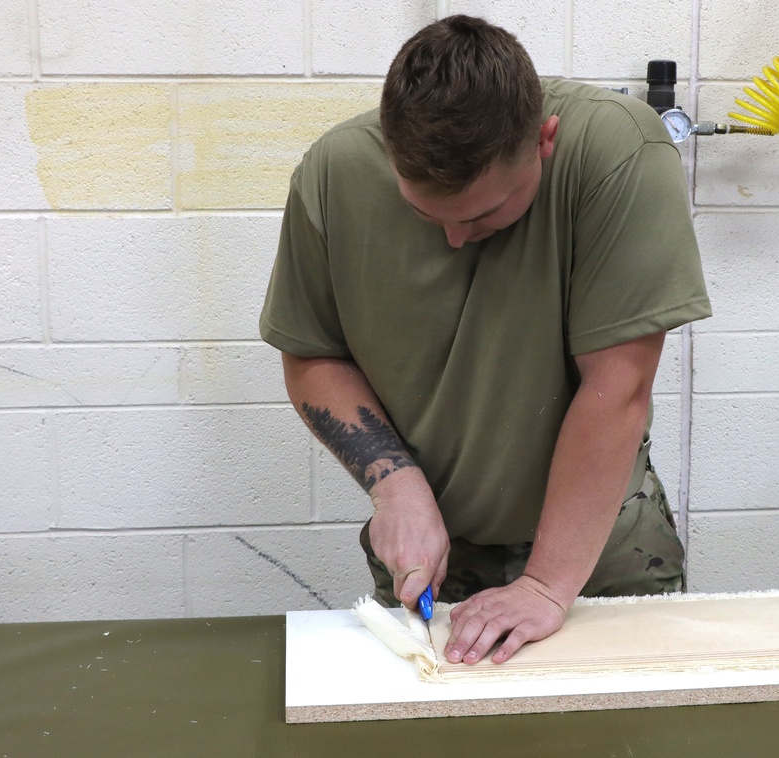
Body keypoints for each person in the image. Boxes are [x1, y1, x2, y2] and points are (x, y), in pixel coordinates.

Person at [259, 15, 711, 665]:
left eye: (482, 214)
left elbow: (618, 387)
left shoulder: (618, 150)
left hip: (598, 554)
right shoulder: (334, 174)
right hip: (434, 551)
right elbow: (312, 355)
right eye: (424, 215)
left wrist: (547, 587)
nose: (453, 239)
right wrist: (395, 487)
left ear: (543, 143)